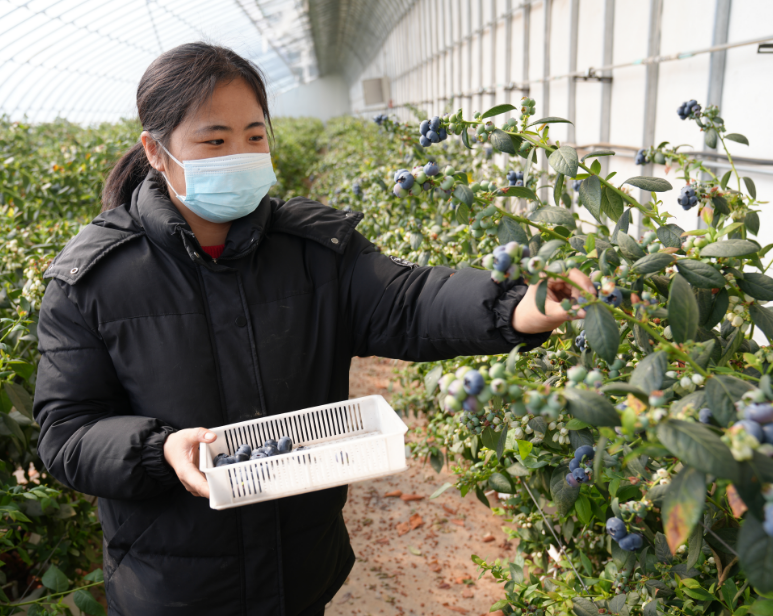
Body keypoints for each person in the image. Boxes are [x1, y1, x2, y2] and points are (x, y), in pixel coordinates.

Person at [33, 42, 594, 616]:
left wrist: (518, 306)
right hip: (171, 588)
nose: (240, 154)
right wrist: (160, 450)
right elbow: (66, 432)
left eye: (255, 135)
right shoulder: (94, 280)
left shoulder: (314, 250)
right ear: (156, 151)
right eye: (215, 141)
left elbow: (408, 300)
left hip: (298, 573)